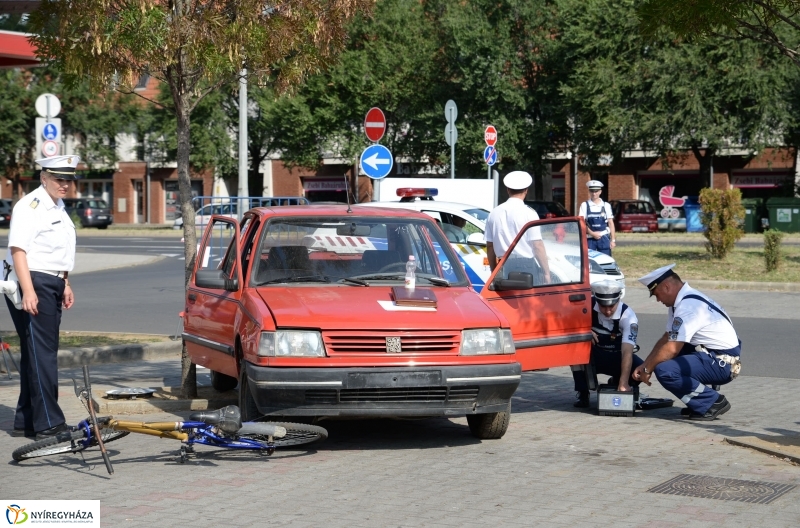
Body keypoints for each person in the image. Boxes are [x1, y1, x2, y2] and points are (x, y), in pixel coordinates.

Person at [5, 155, 79, 439]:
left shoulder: (57, 205)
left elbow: (57, 251)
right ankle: (49, 424)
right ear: (43, 177)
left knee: (35, 353)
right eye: (59, 179)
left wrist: (65, 282)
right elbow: (18, 250)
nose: (65, 185)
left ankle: (27, 420)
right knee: (43, 354)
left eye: (68, 180)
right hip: (34, 281)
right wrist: (29, 291)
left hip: (51, 281)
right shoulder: (30, 206)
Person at [632, 264, 741, 421]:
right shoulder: (682, 301)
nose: (657, 300)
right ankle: (699, 402)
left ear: (667, 287)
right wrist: (645, 364)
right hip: (712, 355)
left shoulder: (688, 307)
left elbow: (672, 349)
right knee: (664, 358)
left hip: (722, 363)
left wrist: (649, 369)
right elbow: (666, 338)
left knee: (665, 370)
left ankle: (712, 402)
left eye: (657, 294)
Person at [572, 280, 642, 408]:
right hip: (594, 356)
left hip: (618, 356)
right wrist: (583, 331)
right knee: (576, 351)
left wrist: (623, 382)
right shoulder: (586, 306)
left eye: (611, 306)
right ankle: (583, 392)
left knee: (641, 370)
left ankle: (617, 382)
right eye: (603, 306)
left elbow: (627, 352)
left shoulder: (629, 317)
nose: (608, 311)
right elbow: (568, 323)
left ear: (618, 301)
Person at [485, 171, 550, 284]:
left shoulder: (494, 213)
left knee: (504, 301)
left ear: (508, 190)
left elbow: (490, 246)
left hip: (502, 265)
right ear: (526, 190)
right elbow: (537, 245)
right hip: (525, 266)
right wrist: (546, 273)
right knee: (527, 301)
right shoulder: (529, 213)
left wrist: (494, 271)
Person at [578, 180, 615, 256]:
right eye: (592, 191)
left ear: (600, 192)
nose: (594, 193)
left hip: (604, 238)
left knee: (605, 261)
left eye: (596, 191)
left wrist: (613, 240)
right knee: (590, 263)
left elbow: (611, 223)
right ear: (589, 191)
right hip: (590, 238)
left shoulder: (606, 205)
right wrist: (592, 233)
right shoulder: (584, 205)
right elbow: (581, 223)